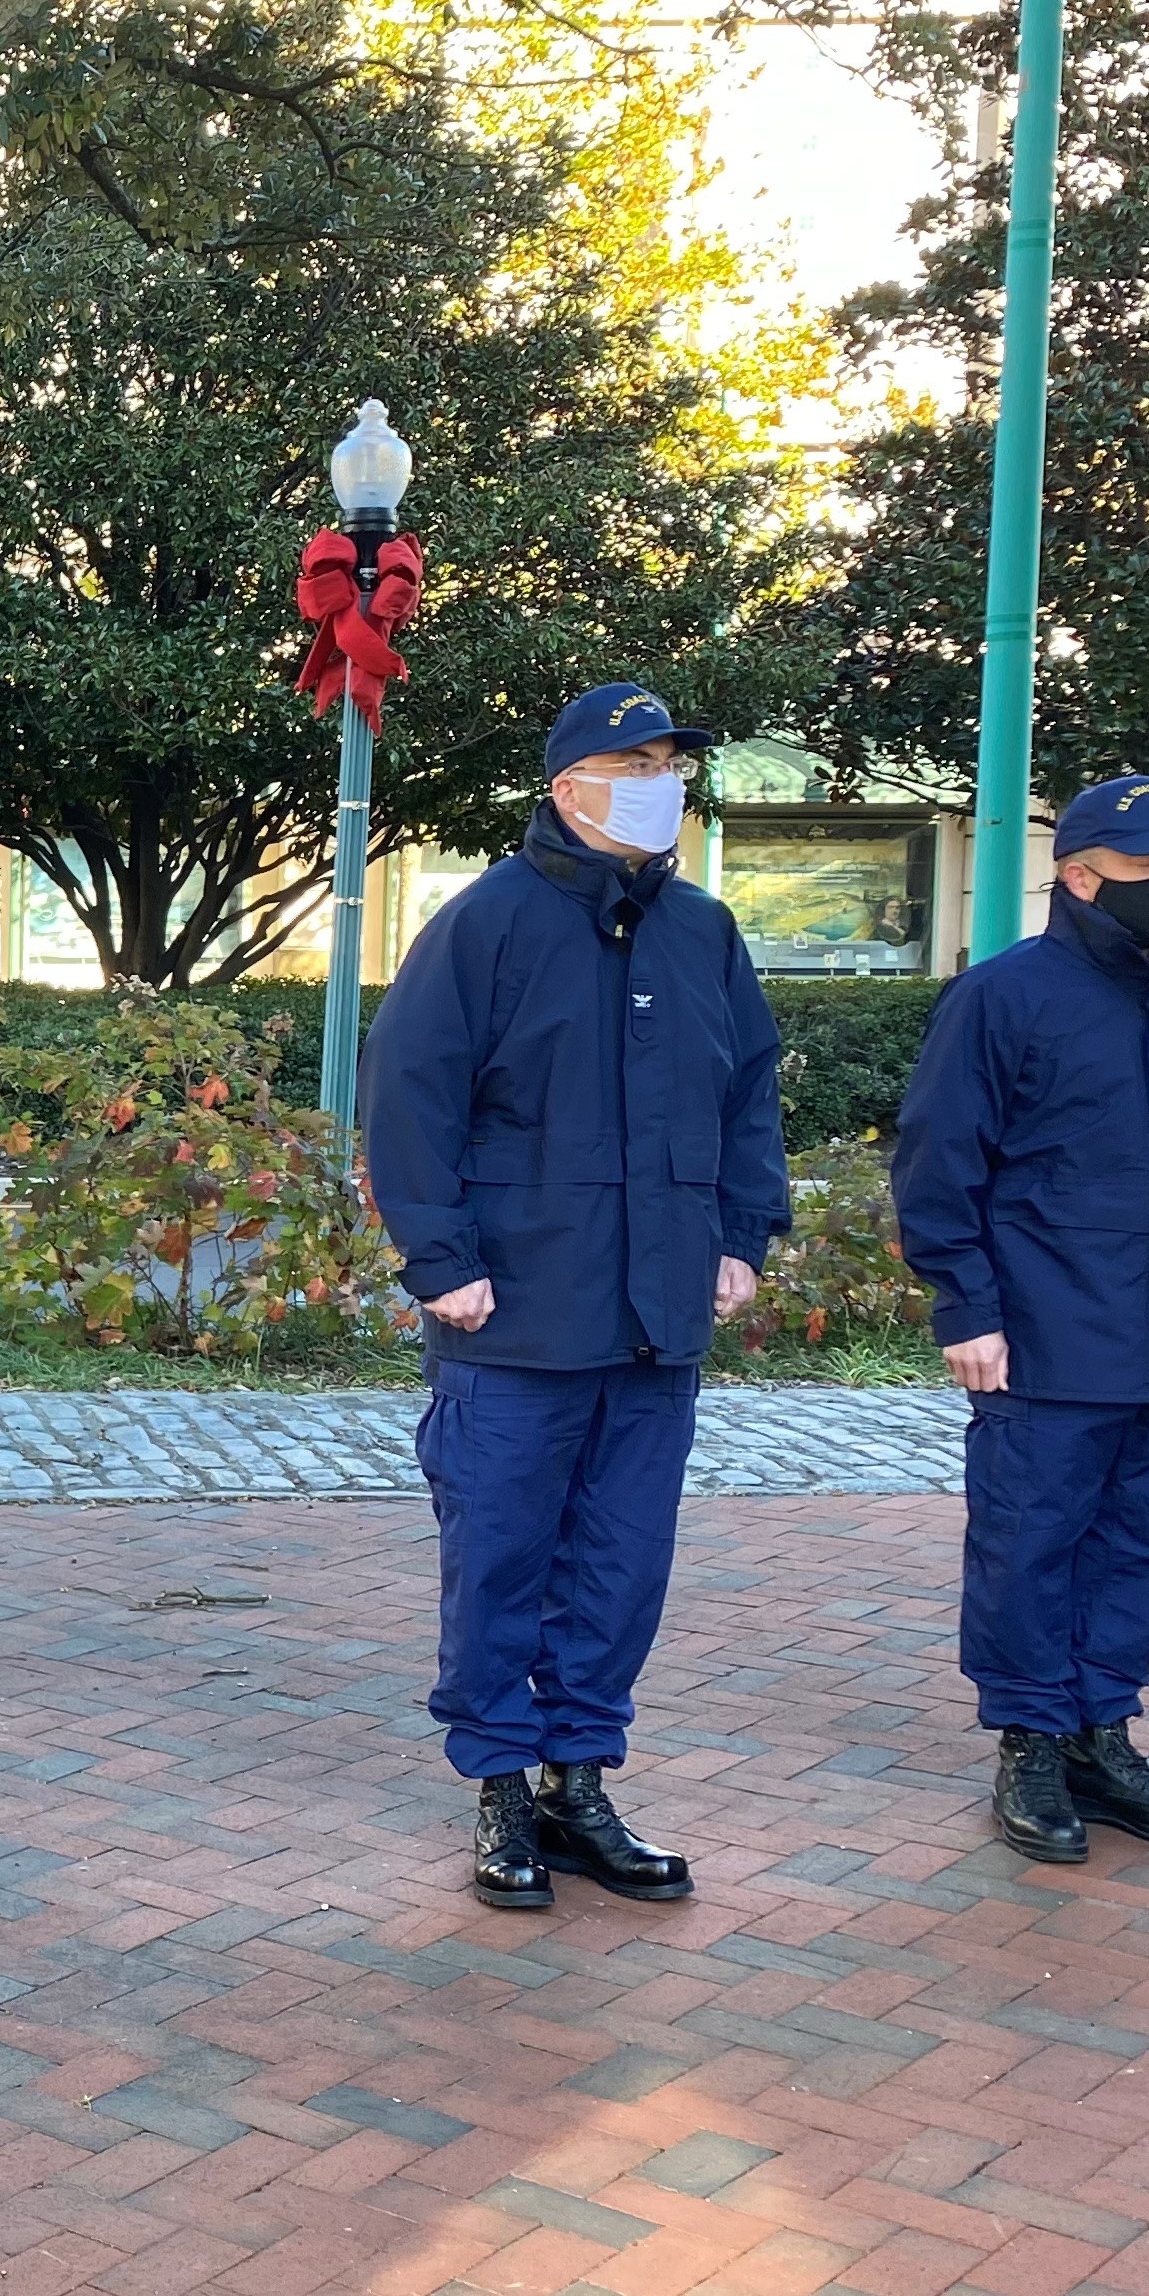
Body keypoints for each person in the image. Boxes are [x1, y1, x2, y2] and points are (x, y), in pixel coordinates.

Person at [362, 685, 791, 1910]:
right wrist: (442, 1265)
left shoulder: (701, 932)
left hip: (657, 1316)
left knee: (619, 1563)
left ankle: (578, 1780)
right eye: (632, 762)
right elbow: (411, 1101)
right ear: (566, 786)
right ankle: (501, 1786)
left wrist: (743, 1232)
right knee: (502, 1553)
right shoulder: (485, 924)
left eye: (669, 765)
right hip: (516, 1315)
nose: (659, 783)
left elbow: (748, 1093)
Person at [890, 775, 1149, 1863]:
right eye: (1147, 869)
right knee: (1031, 1543)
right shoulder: (1005, 997)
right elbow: (939, 1165)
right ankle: (1032, 1746)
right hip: (1049, 1332)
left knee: (1145, 1544)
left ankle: (1104, 1737)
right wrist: (966, 1307)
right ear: (1078, 876)